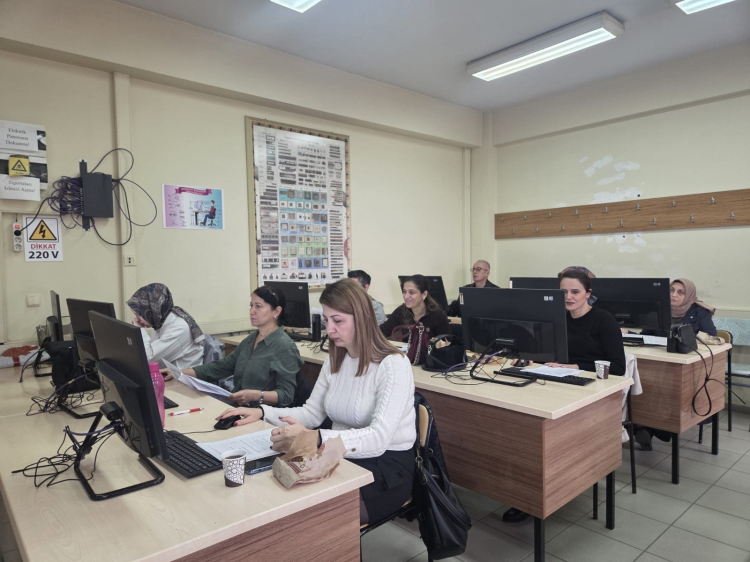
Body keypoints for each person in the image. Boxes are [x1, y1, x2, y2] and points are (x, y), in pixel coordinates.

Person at [216, 279, 416, 524]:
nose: (329, 330)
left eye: (338, 321)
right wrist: (262, 412)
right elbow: (311, 413)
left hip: (387, 466)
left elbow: (378, 438)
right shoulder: (336, 359)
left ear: (362, 318)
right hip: (339, 454)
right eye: (326, 320)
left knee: (317, 518)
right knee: (282, 498)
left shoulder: (393, 364)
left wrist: (317, 438)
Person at [502, 268, 626, 523]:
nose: (568, 297)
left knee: (549, 438)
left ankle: (548, 490)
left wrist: (576, 366)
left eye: (575, 292)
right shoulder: (555, 317)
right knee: (522, 426)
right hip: (556, 384)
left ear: (588, 294)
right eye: (563, 292)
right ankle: (527, 494)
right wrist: (528, 358)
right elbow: (546, 353)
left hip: (590, 392)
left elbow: (618, 367)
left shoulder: (603, 320)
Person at [176, 286, 302, 407]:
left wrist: (256, 395)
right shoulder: (251, 339)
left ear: (276, 311)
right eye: (251, 305)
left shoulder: (285, 347)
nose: (252, 311)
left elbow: (286, 396)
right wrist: (180, 373)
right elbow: (222, 367)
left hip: (262, 414)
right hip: (238, 407)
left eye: (258, 306)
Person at [127, 283, 204, 370]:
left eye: (138, 315)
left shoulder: (179, 328)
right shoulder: (159, 320)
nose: (137, 320)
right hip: (168, 372)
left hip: (182, 377)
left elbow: (149, 360)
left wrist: (139, 330)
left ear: (152, 310)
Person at [379, 274, 451, 341]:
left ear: (424, 294)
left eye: (411, 292)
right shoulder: (401, 311)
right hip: (408, 350)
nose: (406, 296)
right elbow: (382, 331)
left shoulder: (437, 315)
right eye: (404, 292)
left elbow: (447, 343)